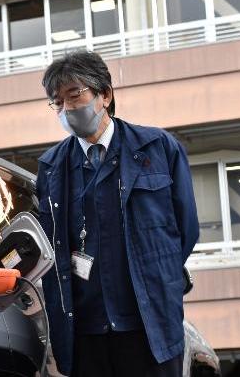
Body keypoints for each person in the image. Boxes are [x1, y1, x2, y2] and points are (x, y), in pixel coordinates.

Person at [35, 51, 199, 377]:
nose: (67, 108)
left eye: (75, 95)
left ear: (105, 95)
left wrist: (156, 274)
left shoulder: (158, 148)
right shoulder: (52, 167)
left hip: (148, 324)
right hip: (85, 331)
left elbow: (186, 229)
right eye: (57, 101)